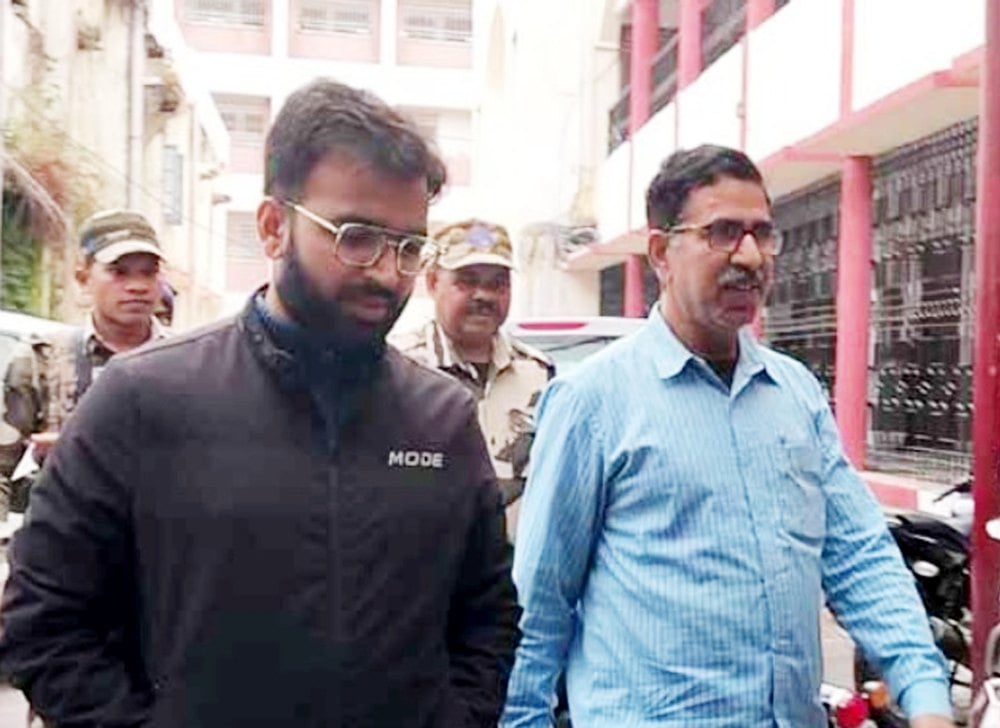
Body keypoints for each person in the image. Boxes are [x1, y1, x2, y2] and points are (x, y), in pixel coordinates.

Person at [0, 79, 518, 727]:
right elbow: (44, 621)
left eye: (409, 248)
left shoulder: (440, 418)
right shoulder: (142, 400)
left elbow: (487, 616)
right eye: (356, 237)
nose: (389, 273)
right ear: (273, 227)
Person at [501, 145, 955, 728]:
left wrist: (926, 694)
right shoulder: (592, 401)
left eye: (762, 233)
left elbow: (858, 554)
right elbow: (539, 607)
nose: (750, 255)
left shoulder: (794, 393)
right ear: (661, 252)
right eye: (722, 233)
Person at [0, 209, 168, 516]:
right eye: (119, 272)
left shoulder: (187, 364)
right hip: (65, 535)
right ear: (83, 277)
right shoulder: (42, 359)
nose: (137, 286)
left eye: (149, 272)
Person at [397, 220, 553, 542]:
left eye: (498, 284)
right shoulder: (400, 368)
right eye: (467, 282)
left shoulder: (539, 373)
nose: (484, 295)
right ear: (433, 282)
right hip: (430, 561)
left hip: (517, 563)